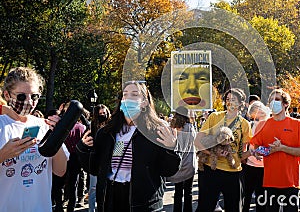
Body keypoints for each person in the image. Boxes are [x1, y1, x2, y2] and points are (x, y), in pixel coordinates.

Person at [77, 80, 180, 211]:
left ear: (144, 102)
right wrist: (83, 148)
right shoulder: (108, 132)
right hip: (111, 197)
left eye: (134, 94)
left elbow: (169, 171)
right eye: (125, 95)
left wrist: (171, 148)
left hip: (143, 202)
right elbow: (95, 168)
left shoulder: (156, 131)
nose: (128, 98)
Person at [0, 67, 68, 211]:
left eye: (35, 96)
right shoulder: (2, 125)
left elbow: (60, 171)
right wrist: (3, 155)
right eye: (22, 96)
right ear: (7, 95)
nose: (29, 102)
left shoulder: (44, 126)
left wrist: (57, 137)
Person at [250, 88, 300, 212]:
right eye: (271, 100)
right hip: (270, 182)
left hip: (291, 182)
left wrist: (283, 148)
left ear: (285, 104)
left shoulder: (297, 124)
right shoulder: (263, 125)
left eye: (277, 100)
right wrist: (270, 150)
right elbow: (257, 150)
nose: (273, 103)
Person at [194, 88, 252, 212]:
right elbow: (197, 142)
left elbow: (242, 154)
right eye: (227, 99)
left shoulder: (245, 124)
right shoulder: (215, 117)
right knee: (205, 207)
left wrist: (253, 153)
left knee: (234, 208)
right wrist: (212, 153)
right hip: (211, 169)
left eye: (233, 100)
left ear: (241, 103)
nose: (230, 102)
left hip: (233, 172)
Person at [167, 106, 197, 212]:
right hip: (189, 163)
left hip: (178, 163)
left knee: (178, 191)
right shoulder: (190, 127)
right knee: (188, 192)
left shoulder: (173, 128)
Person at [242, 101, 269, 212]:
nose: (255, 119)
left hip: (265, 167)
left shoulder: (270, 124)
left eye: (256, 116)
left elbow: (269, 147)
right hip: (250, 164)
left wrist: (258, 151)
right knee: (246, 195)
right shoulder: (252, 124)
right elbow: (249, 143)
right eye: (254, 117)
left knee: (261, 197)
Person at [87, 104, 111, 212]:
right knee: (93, 188)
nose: (102, 115)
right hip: (96, 161)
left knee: (107, 189)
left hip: (110, 162)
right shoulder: (92, 126)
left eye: (104, 113)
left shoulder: (112, 126)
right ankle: (91, 209)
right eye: (100, 113)